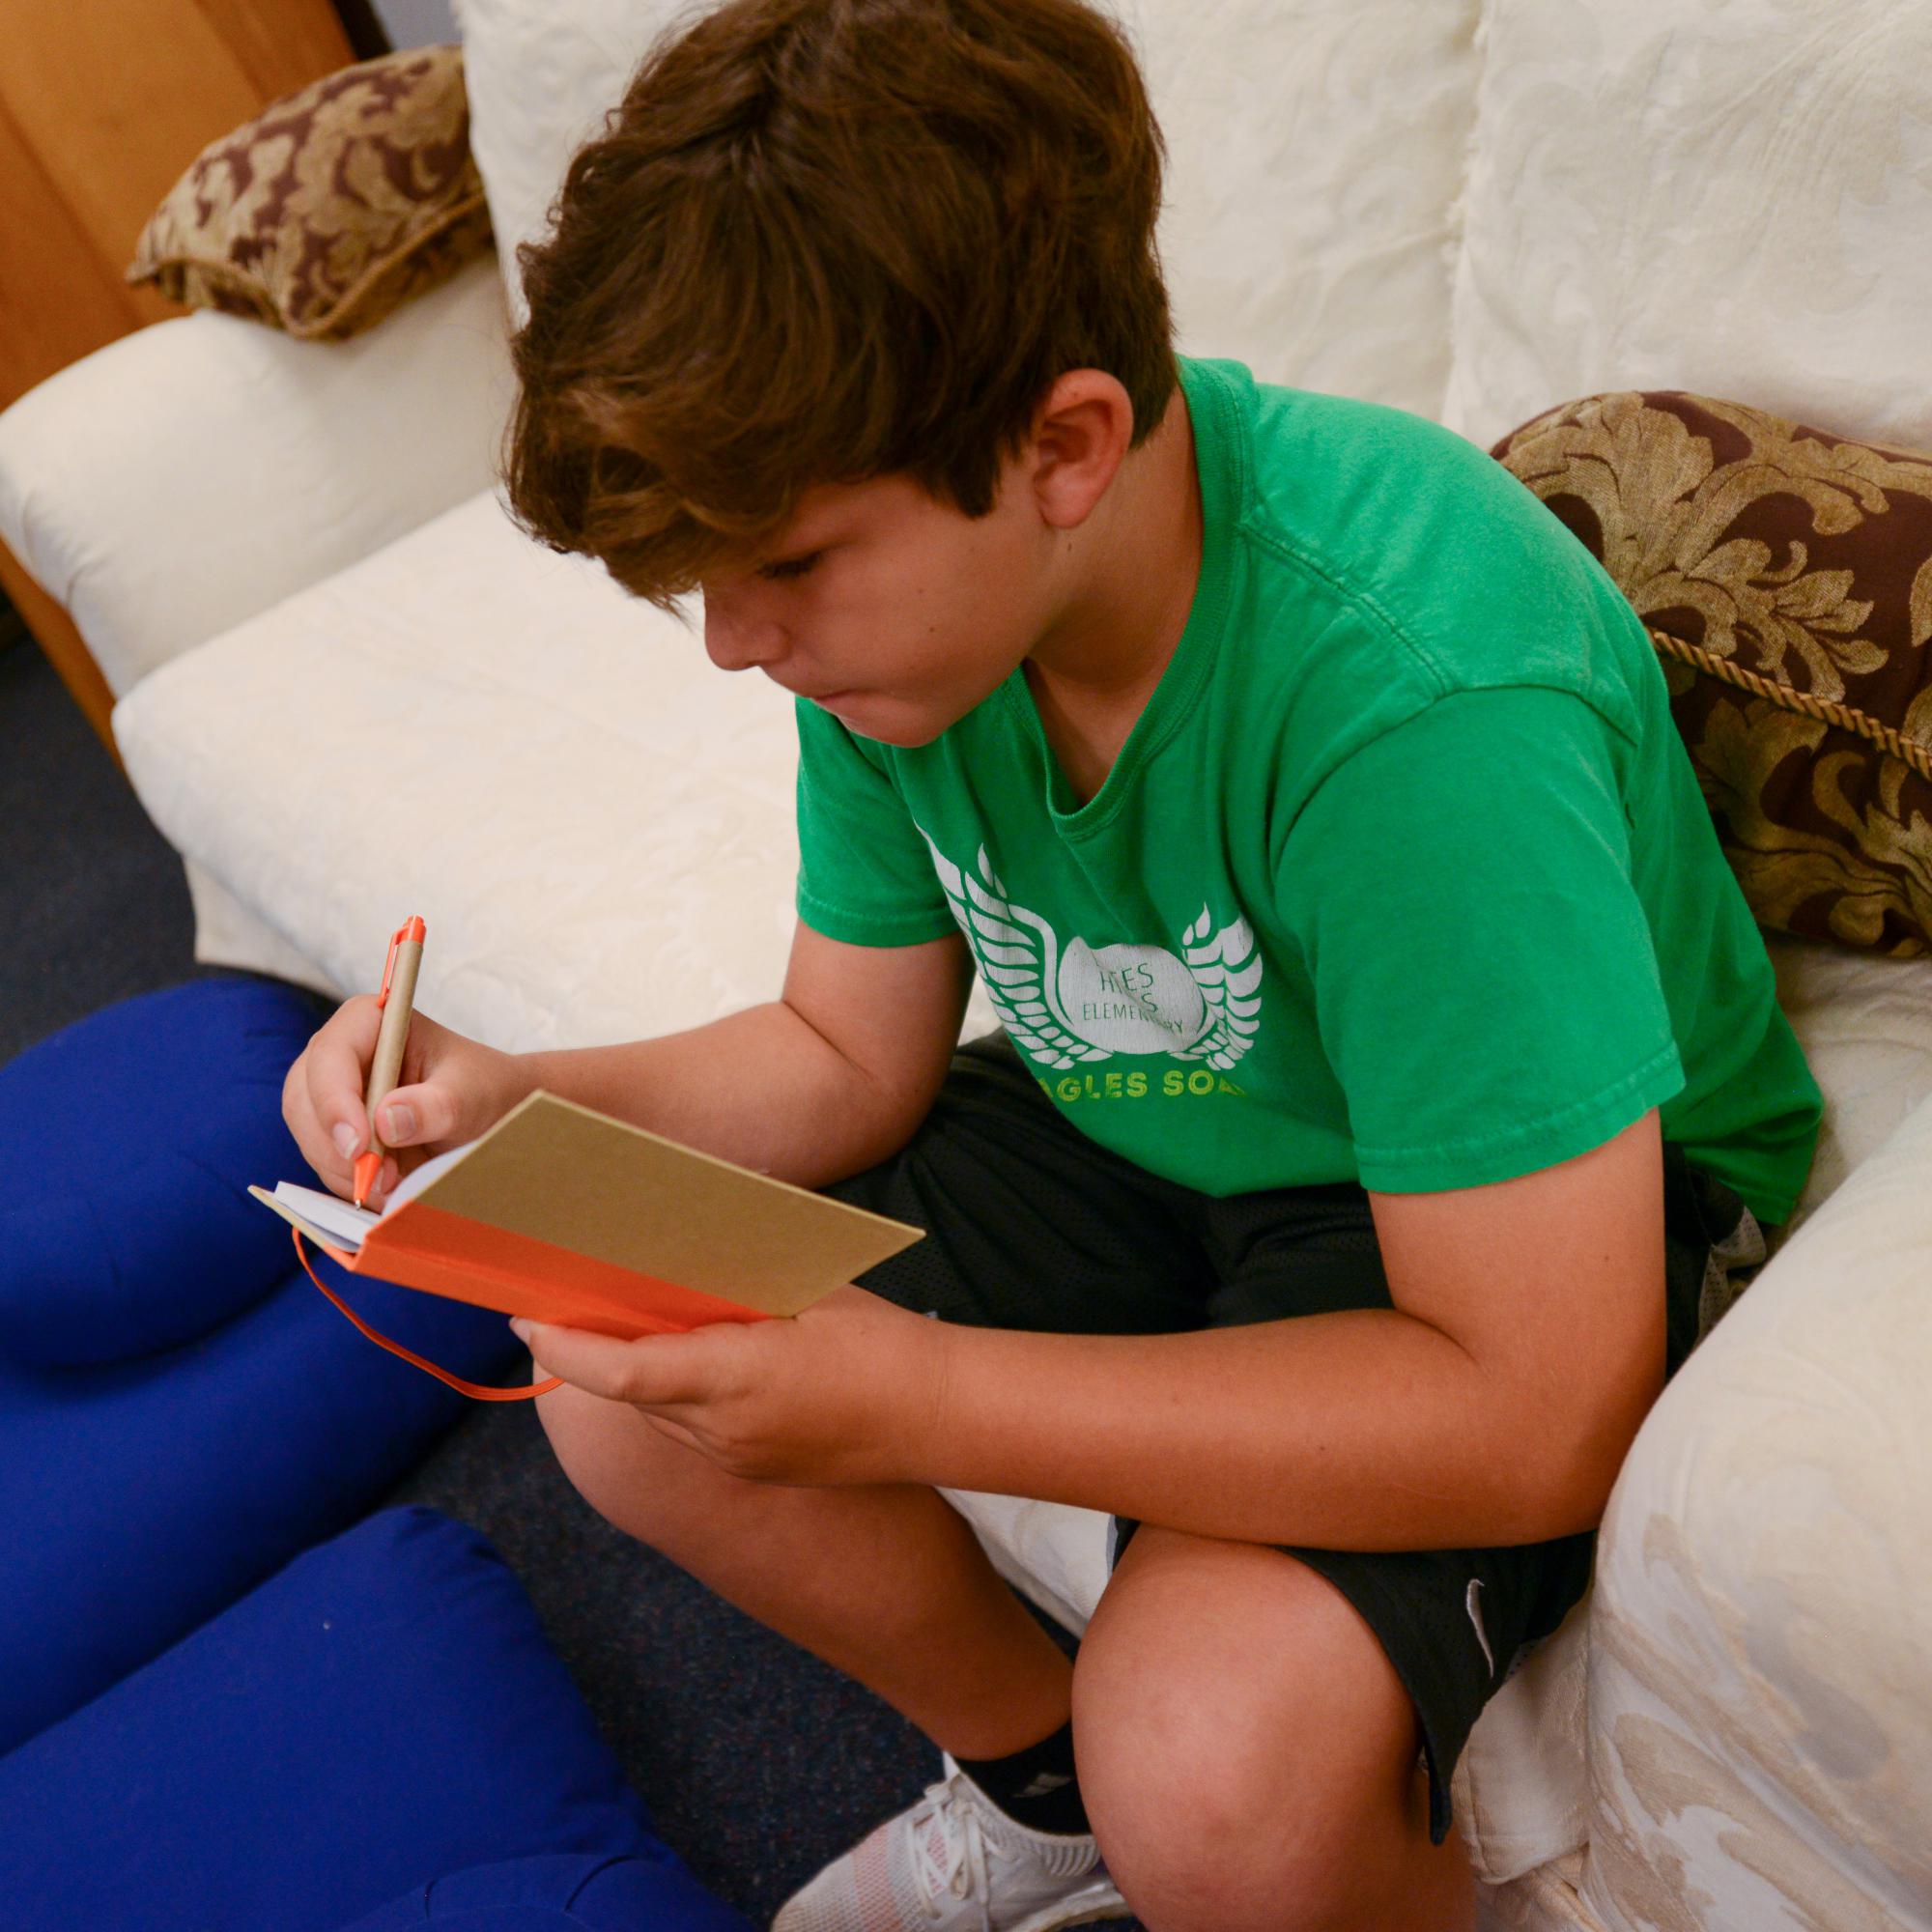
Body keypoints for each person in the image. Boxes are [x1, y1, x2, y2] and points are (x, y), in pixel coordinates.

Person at [281, 1, 1823, 1926]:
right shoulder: (907, 643)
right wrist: (517, 1091)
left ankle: (1139, 1783)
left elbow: (1534, 1403)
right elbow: (843, 1053)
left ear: (1064, 444)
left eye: (783, 563)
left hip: (1521, 1225)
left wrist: (918, 1394)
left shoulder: (1408, 694)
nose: (733, 645)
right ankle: (1035, 1775)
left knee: (1212, 1772)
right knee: (622, 1347)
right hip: (1176, 1118)